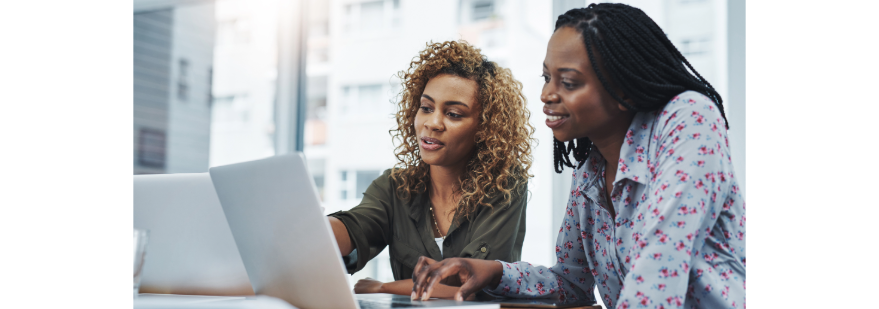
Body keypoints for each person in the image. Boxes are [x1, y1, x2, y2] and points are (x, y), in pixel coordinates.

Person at [410, 4, 746, 309]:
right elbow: (572, 282)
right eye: (546, 77)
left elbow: (661, 264)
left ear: (622, 88)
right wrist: (491, 272)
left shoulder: (689, 119)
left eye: (568, 82)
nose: (546, 94)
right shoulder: (591, 170)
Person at [327, 40, 536, 298]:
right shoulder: (395, 186)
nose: (433, 123)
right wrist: (314, 226)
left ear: (485, 128)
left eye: (453, 114)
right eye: (426, 108)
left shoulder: (505, 185)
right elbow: (354, 229)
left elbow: (469, 287)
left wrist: (383, 287)